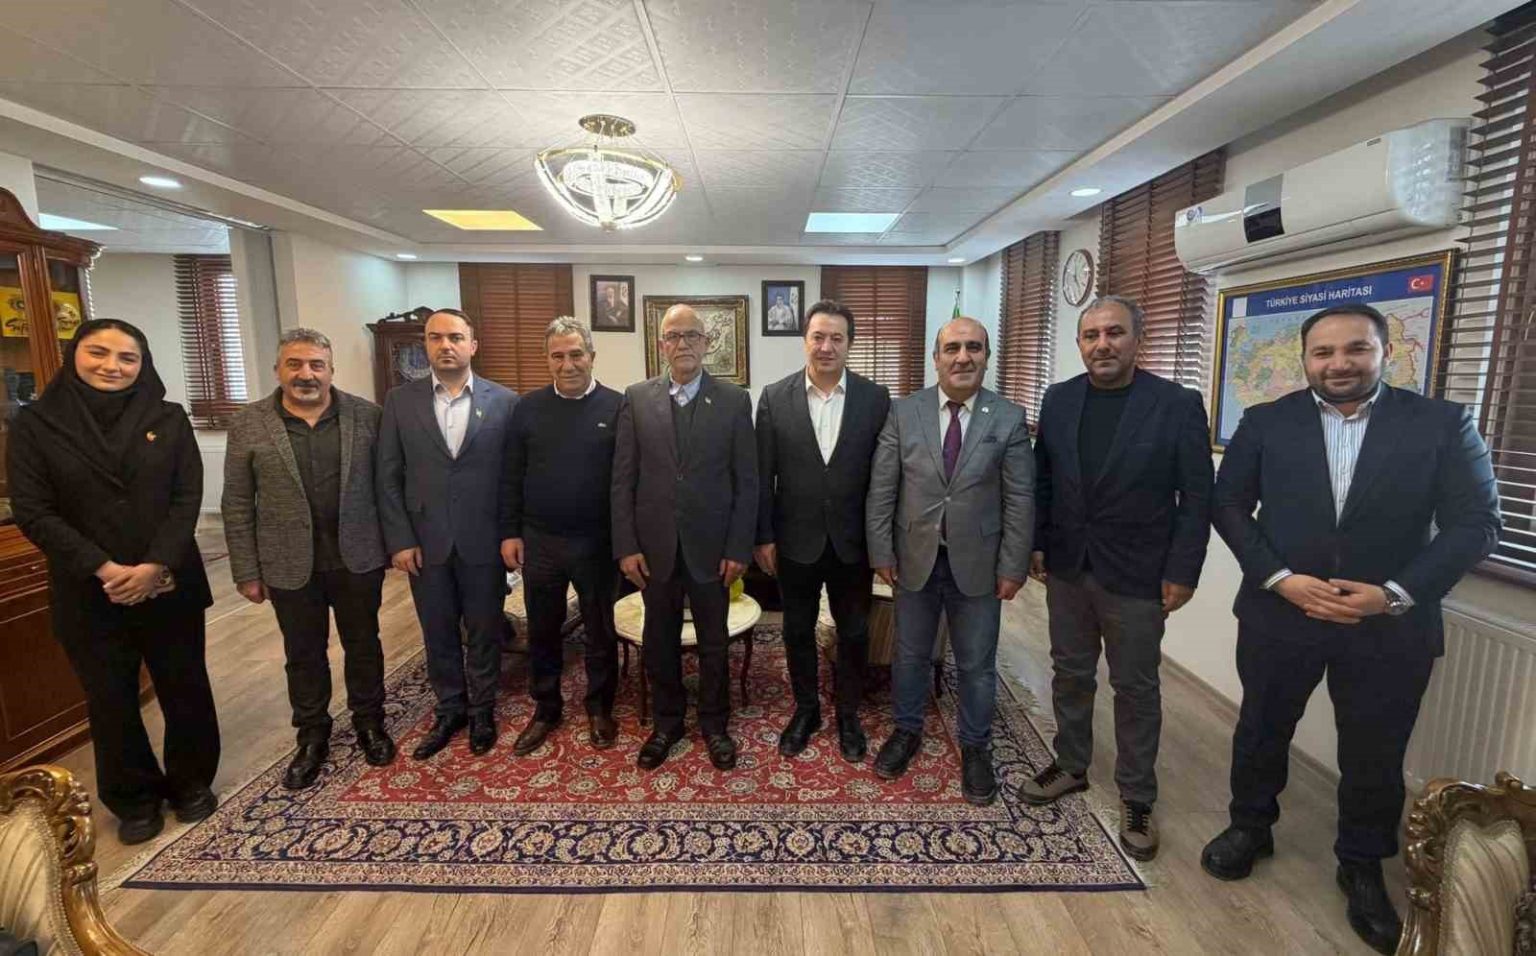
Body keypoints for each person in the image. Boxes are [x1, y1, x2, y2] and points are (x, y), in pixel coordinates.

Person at [1199, 303, 1500, 954]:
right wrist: (1279, 577)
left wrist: (1393, 595)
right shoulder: (1266, 422)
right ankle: (1250, 827)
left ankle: (1362, 865)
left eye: (1356, 349)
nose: (1339, 363)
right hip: (1283, 613)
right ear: (1305, 359)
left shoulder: (1441, 424)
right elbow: (1227, 504)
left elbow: (1477, 522)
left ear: (1384, 352)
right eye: (1324, 352)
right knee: (1262, 729)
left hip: (1387, 625)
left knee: (1375, 752)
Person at [7, 318, 219, 844]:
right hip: (88, 587)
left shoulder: (168, 418)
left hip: (168, 581)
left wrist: (154, 565)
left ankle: (191, 782)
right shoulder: (37, 424)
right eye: (98, 353)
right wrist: (105, 568)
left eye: (127, 357)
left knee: (185, 686)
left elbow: (186, 496)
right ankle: (133, 798)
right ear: (73, 357)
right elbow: (34, 510)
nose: (112, 366)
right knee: (110, 697)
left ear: (142, 364)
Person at [1019, 295, 1214, 861]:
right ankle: (1071, 763)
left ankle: (1137, 795)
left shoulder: (1175, 404)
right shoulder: (1059, 400)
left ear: (1137, 339)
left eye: (1114, 333)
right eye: (1091, 335)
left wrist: (1183, 570)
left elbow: (1196, 498)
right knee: (1070, 672)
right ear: (1080, 343)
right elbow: (1044, 479)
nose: (1102, 344)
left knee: (1135, 686)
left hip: (1138, 573)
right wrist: (1037, 541)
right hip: (1068, 566)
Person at [865, 316, 1033, 805]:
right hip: (914, 558)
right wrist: (881, 551)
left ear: (987, 356)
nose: (963, 357)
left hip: (980, 564)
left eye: (973, 347)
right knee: (910, 654)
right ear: (936, 358)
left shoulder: (1008, 417)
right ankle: (907, 730)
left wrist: (1013, 566)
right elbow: (882, 488)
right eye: (953, 348)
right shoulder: (904, 412)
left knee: (977, 663)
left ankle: (975, 746)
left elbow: (1020, 499)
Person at [222, 328, 394, 791]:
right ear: (277, 369)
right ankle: (312, 735)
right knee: (302, 653)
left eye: (316, 364)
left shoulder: (368, 416)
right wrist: (246, 570)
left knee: (364, 644)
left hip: (357, 557)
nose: (306, 374)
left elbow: (387, 487)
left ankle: (370, 722)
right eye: (295, 364)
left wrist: (394, 545)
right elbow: (236, 502)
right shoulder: (249, 424)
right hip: (288, 563)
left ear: (331, 370)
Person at [612, 303, 757, 771]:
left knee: (714, 642)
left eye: (692, 335)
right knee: (659, 640)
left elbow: (747, 481)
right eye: (673, 336)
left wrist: (738, 547)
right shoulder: (636, 398)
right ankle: (667, 723)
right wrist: (626, 545)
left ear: (707, 343)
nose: (683, 344)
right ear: (661, 345)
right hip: (654, 549)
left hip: (713, 550)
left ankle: (715, 724)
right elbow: (623, 479)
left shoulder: (734, 401)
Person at [376, 308, 519, 760]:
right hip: (426, 540)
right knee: (437, 630)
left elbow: (513, 478)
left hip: (484, 538)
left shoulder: (505, 402)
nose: (446, 345)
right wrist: (400, 539)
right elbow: (388, 476)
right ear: (425, 345)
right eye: (436, 337)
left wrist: (510, 533)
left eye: (455, 337)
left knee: (484, 628)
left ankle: (482, 709)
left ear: (472, 345)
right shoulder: (400, 402)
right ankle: (450, 708)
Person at [754, 300, 889, 761]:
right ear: (805, 341)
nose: (826, 346)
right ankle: (806, 709)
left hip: (854, 542)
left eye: (836, 338)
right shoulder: (774, 397)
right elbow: (762, 476)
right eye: (818, 337)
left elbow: (885, 477)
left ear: (850, 344)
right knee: (796, 629)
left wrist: (883, 542)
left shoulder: (875, 399)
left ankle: (848, 714)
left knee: (854, 632)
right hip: (795, 540)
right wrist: (763, 537)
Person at [500, 317, 623, 756]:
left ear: (591, 356)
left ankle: (600, 707)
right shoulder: (526, 409)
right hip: (541, 541)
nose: (567, 364)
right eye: (558, 356)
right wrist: (510, 533)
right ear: (547, 360)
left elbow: (628, 480)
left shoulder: (618, 407)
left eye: (576, 354)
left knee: (600, 630)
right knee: (543, 629)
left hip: (598, 542)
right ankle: (546, 708)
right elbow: (510, 476)